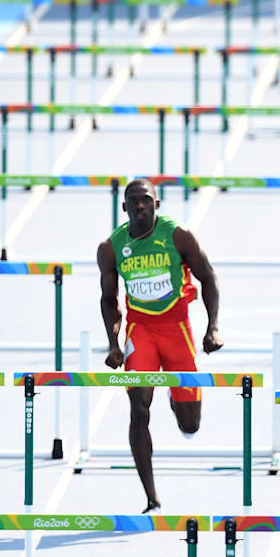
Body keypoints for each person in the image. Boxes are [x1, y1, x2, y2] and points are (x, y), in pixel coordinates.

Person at [98, 178, 222, 512]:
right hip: (141, 331)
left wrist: (212, 328)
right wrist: (113, 343)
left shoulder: (177, 235)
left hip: (176, 329)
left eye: (146, 200)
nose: (140, 206)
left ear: (157, 204)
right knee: (138, 408)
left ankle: (175, 397)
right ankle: (151, 496)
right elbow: (109, 300)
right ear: (124, 208)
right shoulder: (111, 247)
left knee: (190, 424)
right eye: (133, 201)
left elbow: (207, 277)